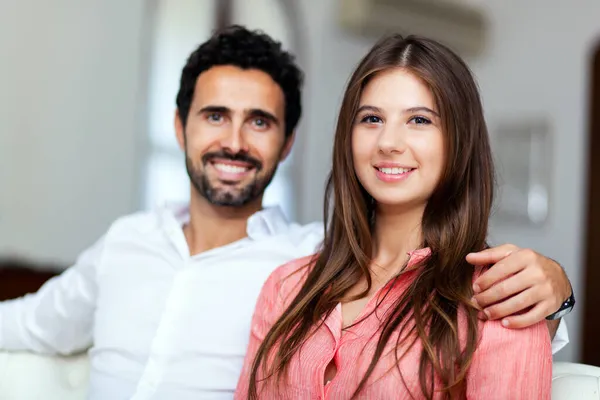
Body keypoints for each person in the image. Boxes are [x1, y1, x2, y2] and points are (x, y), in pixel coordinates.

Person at [0, 26, 570, 399]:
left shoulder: (298, 256)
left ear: (288, 142)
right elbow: (28, 323)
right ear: (180, 127)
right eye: (215, 115)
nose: (234, 141)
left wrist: (557, 291)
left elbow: (492, 315)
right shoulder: (135, 246)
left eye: (260, 121)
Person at [235, 34, 554, 400]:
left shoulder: (498, 298)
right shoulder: (286, 288)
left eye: (419, 120)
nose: (388, 142)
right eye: (371, 118)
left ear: (459, 140)